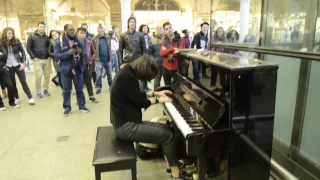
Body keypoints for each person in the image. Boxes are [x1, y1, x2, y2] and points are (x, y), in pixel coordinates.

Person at [110, 55, 182, 180]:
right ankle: (176, 174)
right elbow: (141, 102)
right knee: (167, 136)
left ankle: (170, 164)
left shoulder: (127, 71)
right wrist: (159, 99)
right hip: (126, 127)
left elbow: (135, 95)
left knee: (167, 129)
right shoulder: (128, 78)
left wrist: (155, 93)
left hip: (126, 121)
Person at [54, 24, 90, 116]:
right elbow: (56, 56)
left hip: (78, 68)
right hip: (66, 69)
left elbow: (85, 53)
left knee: (80, 88)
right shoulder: (59, 42)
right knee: (66, 90)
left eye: (73, 30)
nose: (72, 32)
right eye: (70, 30)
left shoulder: (78, 41)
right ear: (65, 30)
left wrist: (81, 52)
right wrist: (68, 53)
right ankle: (67, 108)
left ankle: (82, 106)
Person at [2, 27, 35, 105]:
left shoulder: (16, 41)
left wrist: (23, 63)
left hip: (18, 64)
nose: (11, 35)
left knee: (23, 81)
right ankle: (16, 98)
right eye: (9, 33)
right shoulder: (2, 43)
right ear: (5, 33)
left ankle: (30, 98)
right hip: (8, 66)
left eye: (12, 33)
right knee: (13, 83)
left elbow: (23, 53)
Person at [27, 22, 51, 98]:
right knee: (39, 76)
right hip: (37, 60)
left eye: (43, 27)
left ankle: (46, 89)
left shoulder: (47, 37)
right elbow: (28, 48)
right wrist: (33, 57)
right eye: (40, 26)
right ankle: (38, 91)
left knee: (47, 75)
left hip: (47, 59)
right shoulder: (32, 36)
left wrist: (50, 56)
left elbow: (50, 47)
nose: (42, 28)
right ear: (37, 27)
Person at [76, 27, 99, 103]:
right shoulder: (74, 43)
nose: (83, 35)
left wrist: (91, 59)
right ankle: (79, 99)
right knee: (79, 83)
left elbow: (94, 52)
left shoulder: (89, 42)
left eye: (84, 33)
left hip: (87, 65)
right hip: (78, 66)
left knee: (88, 81)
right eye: (81, 33)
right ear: (77, 33)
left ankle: (91, 96)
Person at [160, 22, 185, 86]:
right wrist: (172, 49)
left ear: (172, 28)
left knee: (178, 87)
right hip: (166, 67)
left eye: (170, 27)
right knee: (167, 86)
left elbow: (179, 52)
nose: (168, 29)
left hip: (177, 68)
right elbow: (162, 53)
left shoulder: (181, 40)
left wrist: (167, 52)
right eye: (166, 29)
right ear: (165, 31)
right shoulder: (164, 40)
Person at [92, 25, 113, 94]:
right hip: (98, 60)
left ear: (104, 31)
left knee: (109, 74)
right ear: (97, 31)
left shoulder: (108, 38)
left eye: (102, 31)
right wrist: (94, 56)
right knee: (99, 75)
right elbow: (92, 48)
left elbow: (110, 47)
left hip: (107, 59)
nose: (101, 32)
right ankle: (98, 88)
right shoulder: (94, 39)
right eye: (99, 31)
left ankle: (111, 86)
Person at [0, 42, 20, 110]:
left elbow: (5, 55)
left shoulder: (1, 45)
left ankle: (11, 102)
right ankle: (1, 104)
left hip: (2, 69)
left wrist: (2, 55)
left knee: (10, 85)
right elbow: (2, 56)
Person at [151, 23, 165, 90]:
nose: (159, 29)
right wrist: (153, 62)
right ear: (156, 30)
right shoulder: (153, 41)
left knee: (168, 83)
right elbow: (150, 53)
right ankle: (157, 96)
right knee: (157, 82)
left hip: (167, 65)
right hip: (157, 64)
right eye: (158, 28)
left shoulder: (168, 39)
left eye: (161, 27)